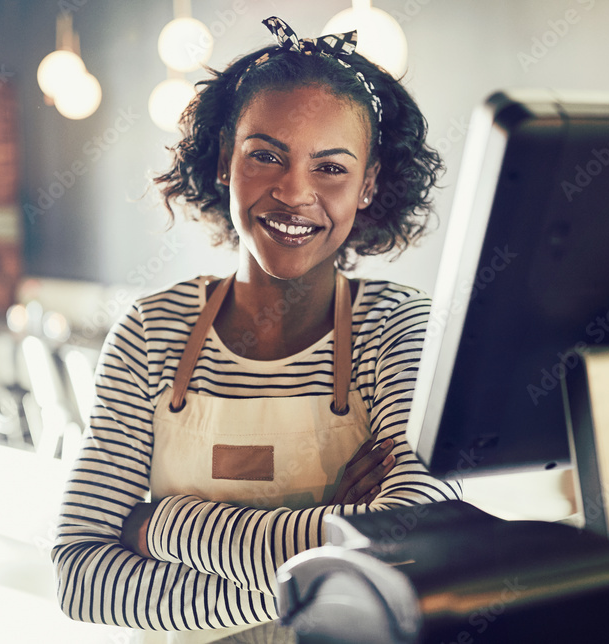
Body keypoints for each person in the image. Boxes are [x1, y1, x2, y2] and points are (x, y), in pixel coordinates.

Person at [53, 16, 462, 643]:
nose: (294, 192)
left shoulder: (401, 330)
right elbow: (81, 578)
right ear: (224, 162)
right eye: (266, 155)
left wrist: (162, 525)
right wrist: (333, 552)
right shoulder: (151, 331)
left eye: (331, 168)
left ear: (369, 185)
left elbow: (404, 552)